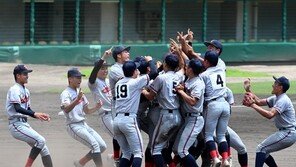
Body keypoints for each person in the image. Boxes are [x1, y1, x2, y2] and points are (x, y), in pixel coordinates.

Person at [5, 64, 53, 167]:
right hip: (16, 125)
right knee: (41, 140)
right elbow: (17, 108)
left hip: (24, 124)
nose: (27, 76)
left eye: (27, 74)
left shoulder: (26, 91)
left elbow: (27, 109)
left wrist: (38, 115)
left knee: (44, 149)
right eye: (25, 74)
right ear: (18, 76)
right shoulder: (14, 89)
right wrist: (34, 114)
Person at [243, 76, 296, 167]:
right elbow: (259, 102)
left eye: (275, 84)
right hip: (285, 132)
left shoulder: (283, 100)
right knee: (265, 151)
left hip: (288, 133)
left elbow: (270, 115)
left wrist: (252, 105)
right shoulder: (276, 98)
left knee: (261, 148)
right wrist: (248, 90)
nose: (273, 85)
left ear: (280, 87)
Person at [142, 53, 184, 167]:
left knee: (155, 150)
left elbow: (150, 96)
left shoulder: (161, 77)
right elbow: (183, 66)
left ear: (165, 64)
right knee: (164, 146)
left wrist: (143, 91)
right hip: (178, 117)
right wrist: (180, 51)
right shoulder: (178, 76)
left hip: (166, 117)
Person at [60, 68, 107, 167]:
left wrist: (96, 107)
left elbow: (87, 111)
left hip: (83, 124)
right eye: (77, 77)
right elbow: (66, 109)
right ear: (70, 79)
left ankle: (80, 163)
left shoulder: (79, 92)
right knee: (95, 146)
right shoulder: (65, 93)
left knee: (102, 146)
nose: (80, 80)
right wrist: (77, 99)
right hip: (73, 126)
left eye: (80, 77)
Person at [113, 61, 151, 167]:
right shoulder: (135, 83)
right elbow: (153, 74)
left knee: (126, 153)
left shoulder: (118, 83)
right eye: (136, 69)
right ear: (134, 71)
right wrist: (150, 61)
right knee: (138, 153)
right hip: (129, 121)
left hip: (116, 121)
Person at [200, 51, 230, 167]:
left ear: (206, 61)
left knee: (208, 135)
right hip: (225, 104)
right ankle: (225, 160)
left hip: (213, 105)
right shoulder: (222, 70)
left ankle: (215, 158)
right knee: (221, 136)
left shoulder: (204, 75)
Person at [173, 59, 205, 167]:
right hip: (188, 119)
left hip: (195, 119)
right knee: (176, 149)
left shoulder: (198, 83)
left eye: (187, 67)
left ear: (190, 69)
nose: (185, 68)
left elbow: (192, 101)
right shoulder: (189, 80)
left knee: (182, 150)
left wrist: (181, 91)